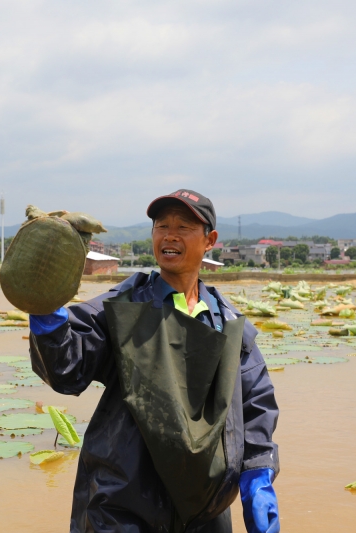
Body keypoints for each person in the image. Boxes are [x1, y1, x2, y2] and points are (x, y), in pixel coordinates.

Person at [29, 190, 280, 533]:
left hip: (204, 511)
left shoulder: (229, 324)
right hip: (121, 506)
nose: (170, 235)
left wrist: (258, 473)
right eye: (162, 226)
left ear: (210, 240)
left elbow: (255, 402)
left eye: (183, 227)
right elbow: (66, 369)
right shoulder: (122, 307)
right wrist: (46, 309)